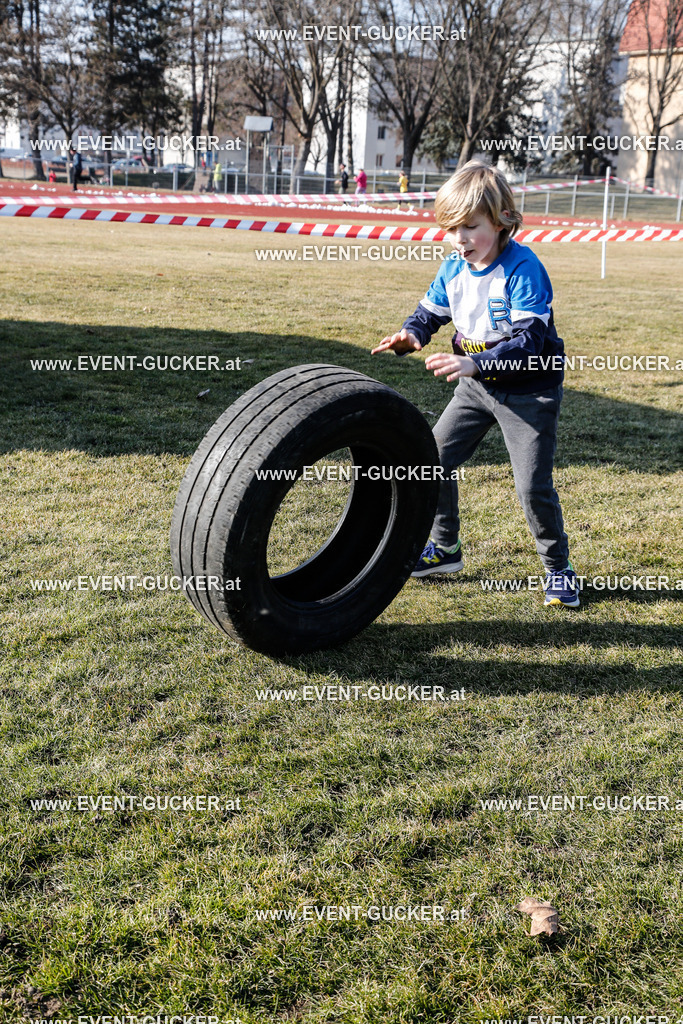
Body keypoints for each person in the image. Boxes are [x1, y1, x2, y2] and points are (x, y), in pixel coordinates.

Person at [372, 160, 579, 608]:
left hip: (528, 393)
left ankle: (558, 569)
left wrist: (478, 363)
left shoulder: (524, 268)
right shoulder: (453, 266)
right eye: (451, 229)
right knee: (432, 459)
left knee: (532, 487)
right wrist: (411, 337)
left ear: (503, 221)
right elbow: (430, 312)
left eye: (469, 227)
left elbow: (531, 341)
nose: (459, 239)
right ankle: (445, 548)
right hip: (476, 386)